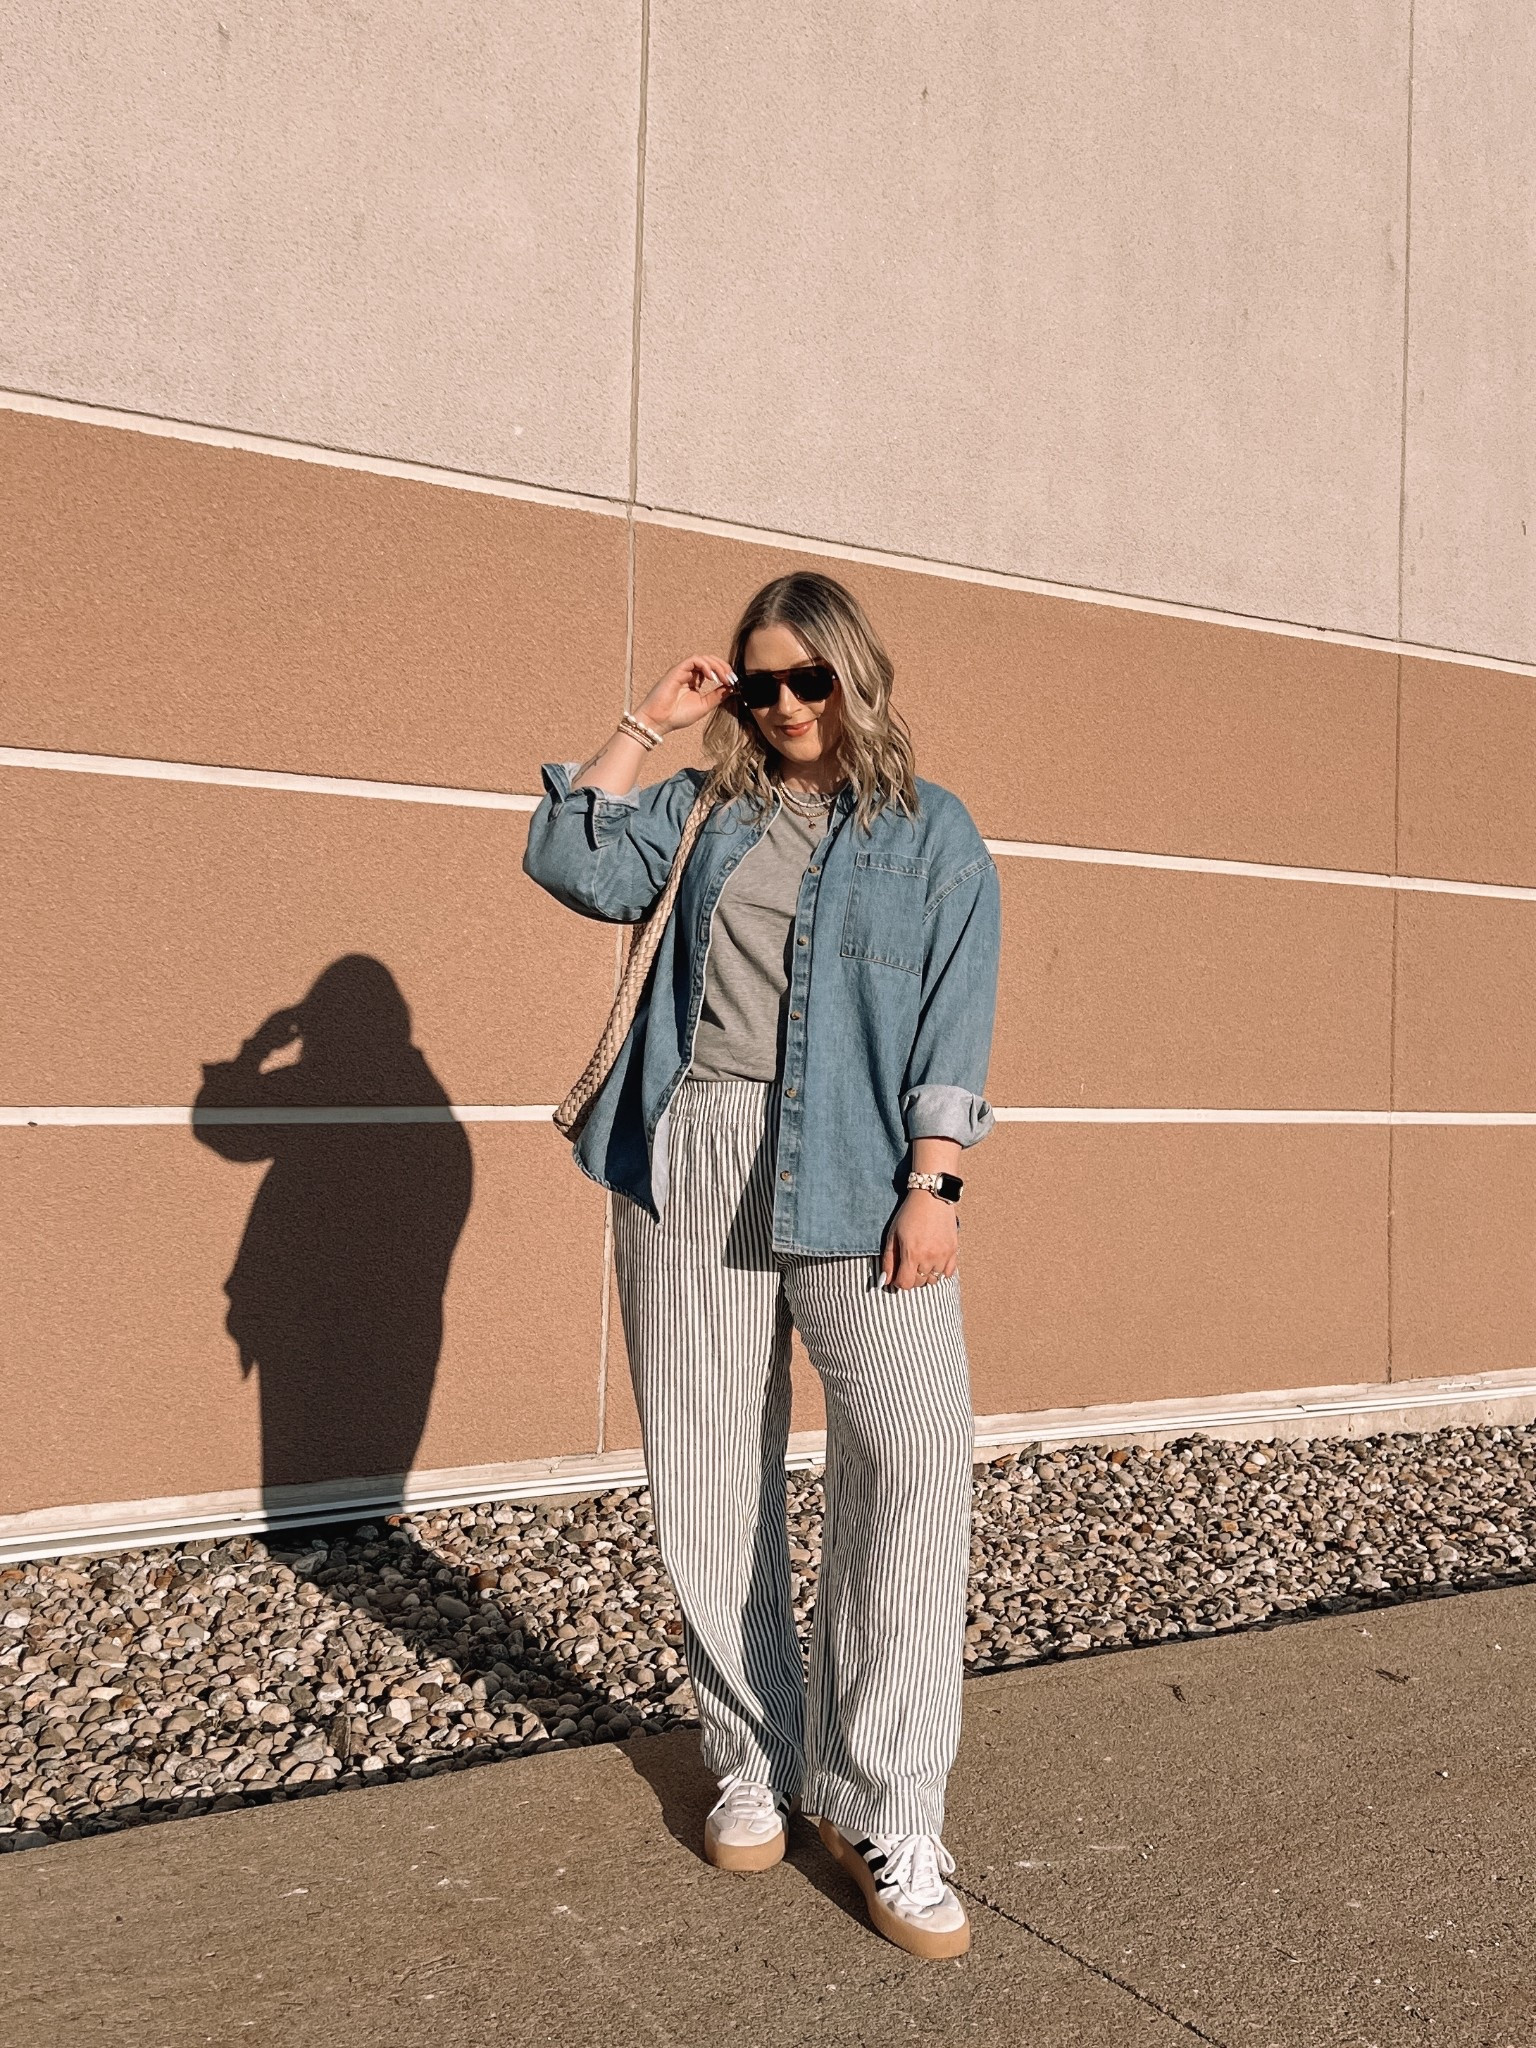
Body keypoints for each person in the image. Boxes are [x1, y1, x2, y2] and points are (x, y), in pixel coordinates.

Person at [523, 570, 1000, 1960]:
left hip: (868, 1176)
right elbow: (571, 860)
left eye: (812, 679)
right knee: (711, 1472)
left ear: (858, 675)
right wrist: (645, 724)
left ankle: (890, 1802)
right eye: (762, 681)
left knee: (912, 1463)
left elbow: (955, 1029)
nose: (788, 705)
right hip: (698, 1157)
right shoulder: (704, 810)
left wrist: (936, 1185)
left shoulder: (934, 834)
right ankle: (755, 1756)